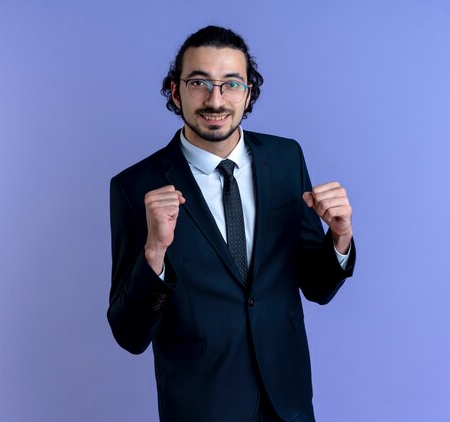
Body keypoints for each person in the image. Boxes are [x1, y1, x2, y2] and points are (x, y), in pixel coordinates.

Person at [107, 25, 356, 422]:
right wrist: (154, 252)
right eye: (199, 82)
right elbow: (130, 334)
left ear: (249, 93)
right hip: (202, 407)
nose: (215, 99)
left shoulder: (286, 158)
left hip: (288, 403)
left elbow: (317, 287)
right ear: (176, 91)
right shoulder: (135, 187)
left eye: (231, 84)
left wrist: (339, 238)